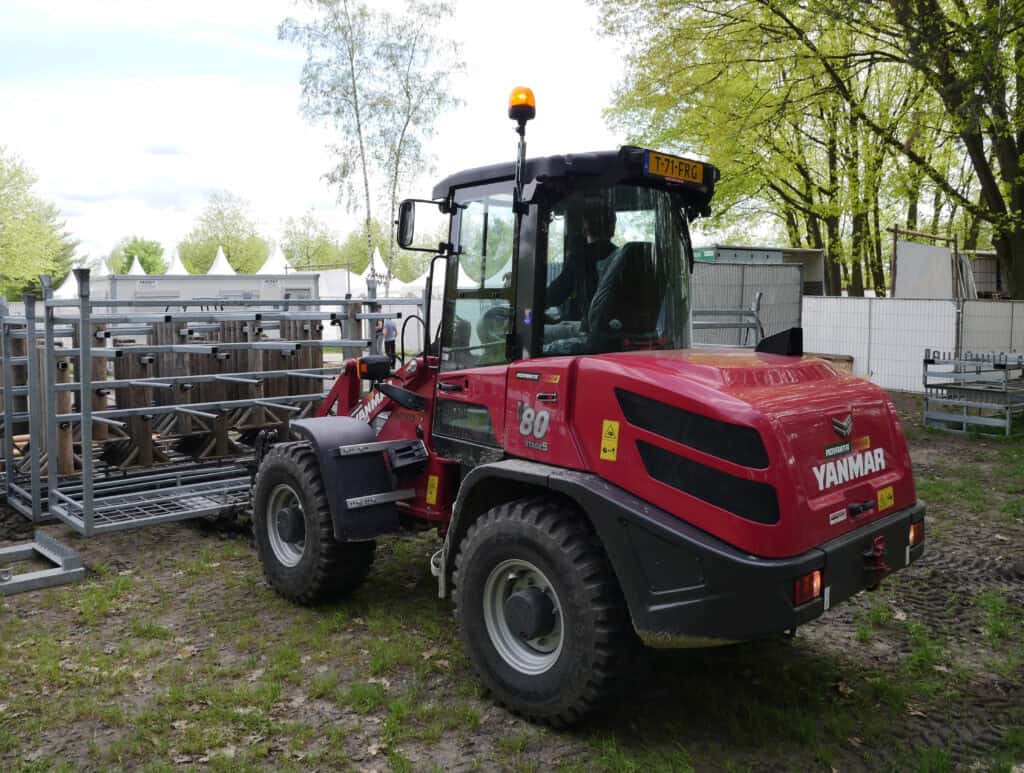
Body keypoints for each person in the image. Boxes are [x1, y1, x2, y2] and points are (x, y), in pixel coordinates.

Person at [545, 204, 617, 322]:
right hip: (613, 329)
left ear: (586, 226)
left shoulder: (580, 258)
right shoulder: (618, 255)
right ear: (612, 227)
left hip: (587, 330)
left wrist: (535, 300)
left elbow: (556, 294)